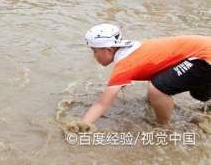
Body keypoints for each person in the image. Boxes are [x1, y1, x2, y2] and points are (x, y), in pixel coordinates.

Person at [81, 24, 211, 127]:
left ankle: (163, 127)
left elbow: (102, 104)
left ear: (108, 49)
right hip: (203, 51)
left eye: (94, 51)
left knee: (157, 90)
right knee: (199, 94)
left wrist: (82, 125)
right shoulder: (132, 48)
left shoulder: (125, 64)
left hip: (205, 55)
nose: (93, 56)